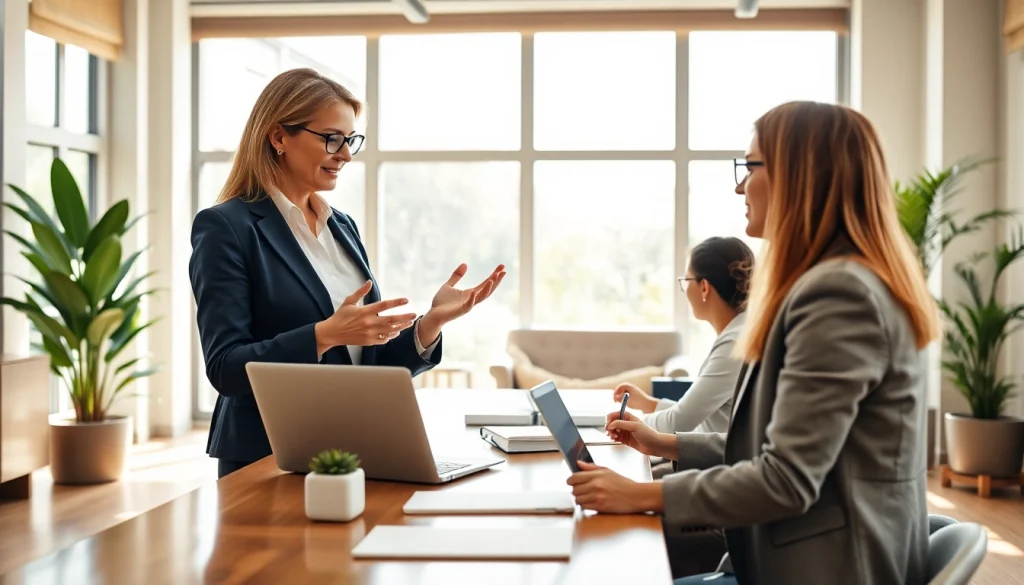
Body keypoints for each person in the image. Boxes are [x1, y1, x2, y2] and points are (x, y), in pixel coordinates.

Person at [567, 101, 939, 585]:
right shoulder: (828, 285)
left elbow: (785, 480)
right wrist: (664, 442)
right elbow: (773, 449)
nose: (740, 185)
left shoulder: (839, 295)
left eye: (750, 167)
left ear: (800, 176)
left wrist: (638, 495)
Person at [189, 68, 506, 479]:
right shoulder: (226, 228)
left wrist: (430, 323)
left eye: (350, 140)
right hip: (269, 459)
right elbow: (226, 367)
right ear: (278, 137)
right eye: (331, 139)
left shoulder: (342, 226)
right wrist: (325, 335)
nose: (346, 155)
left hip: (356, 450)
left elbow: (368, 369)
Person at [612, 237, 753, 434]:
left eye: (686, 280)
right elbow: (692, 414)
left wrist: (626, 423)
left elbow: (677, 423)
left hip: (709, 462)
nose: (684, 289)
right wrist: (648, 404)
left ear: (704, 287)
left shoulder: (733, 344)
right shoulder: (740, 332)